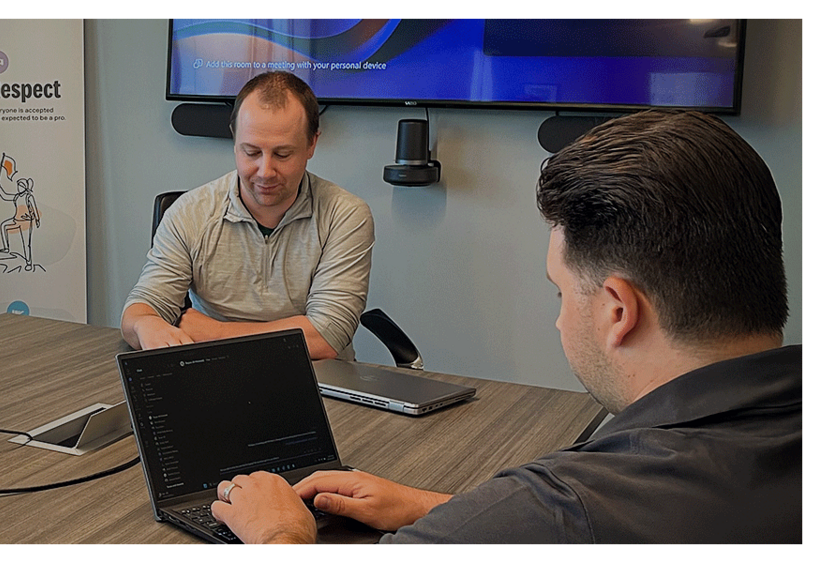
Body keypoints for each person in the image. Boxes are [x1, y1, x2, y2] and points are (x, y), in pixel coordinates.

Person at [211, 109, 799, 543]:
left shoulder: (569, 506)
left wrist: (279, 534)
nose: (561, 318)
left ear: (618, 311)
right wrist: (443, 509)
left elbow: (565, 521)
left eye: (561, 292)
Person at [121, 71, 374, 361]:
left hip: (316, 376)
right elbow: (140, 311)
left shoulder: (345, 216)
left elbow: (327, 336)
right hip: (217, 372)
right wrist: (145, 324)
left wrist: (215, 333)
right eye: (251, 152)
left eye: (283, 154)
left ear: (311, 144)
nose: (265, 172)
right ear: (235, 140)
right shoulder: (189, 212)